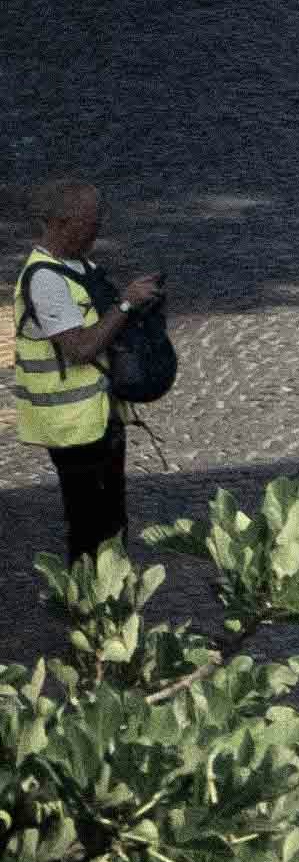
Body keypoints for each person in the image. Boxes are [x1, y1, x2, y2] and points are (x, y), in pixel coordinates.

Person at [13, 177, 159, 569]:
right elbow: (79, 349)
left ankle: (108, 600)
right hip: (71, 425)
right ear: (59, 223)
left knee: (111, 518)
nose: (97, 231)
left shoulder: (78, 266)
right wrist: (126, 305)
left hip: (96, 416)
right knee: (88, 522)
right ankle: (88, 606)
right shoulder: (45, 280)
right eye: (89, 223)